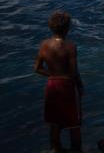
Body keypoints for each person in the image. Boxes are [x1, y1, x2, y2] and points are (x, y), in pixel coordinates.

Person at [34, 11, 83, 153]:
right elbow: (74, 72)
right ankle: (76, 150)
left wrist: (53, 75)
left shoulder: (44, 45)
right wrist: (80, 86)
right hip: (67, 86)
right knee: (74, 122)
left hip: (51, 85)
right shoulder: (70, 46)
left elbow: (37, 68)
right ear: (67, 28)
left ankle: (55, 149)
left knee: (54, 122)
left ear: (51, 27)